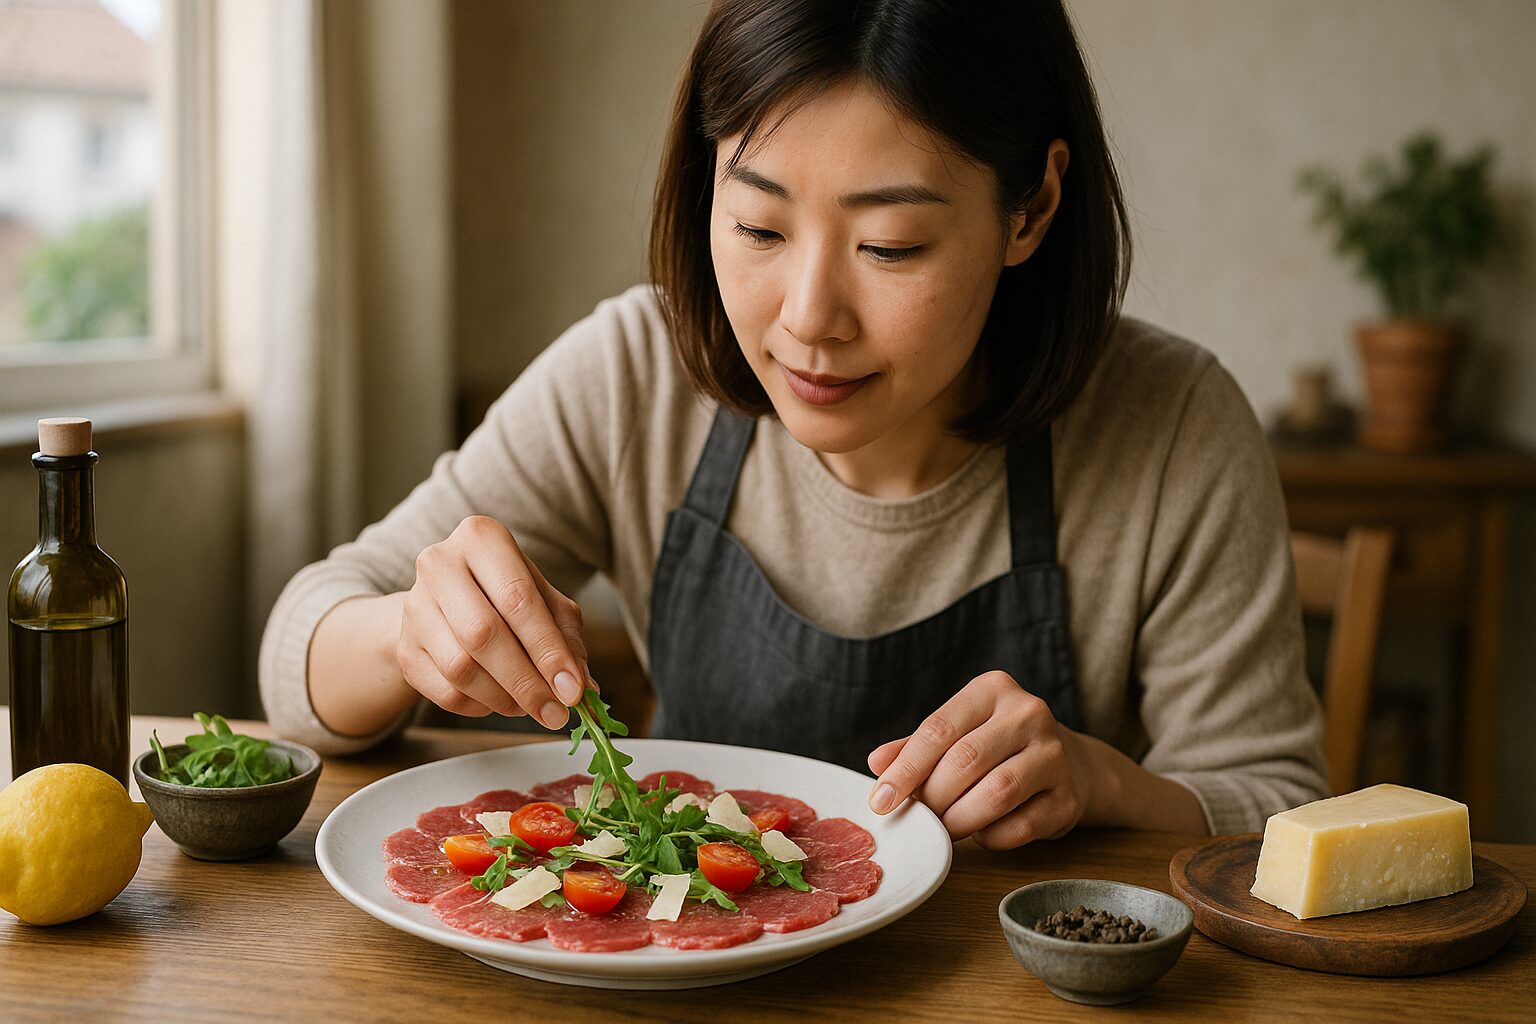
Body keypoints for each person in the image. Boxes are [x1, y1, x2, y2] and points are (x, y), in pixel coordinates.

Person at [261, 0, 1327, 848]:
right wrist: (407, 634)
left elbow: (1276, 805)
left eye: (891, 245)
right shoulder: (636, 374)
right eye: (760, 226)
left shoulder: (1172, 425)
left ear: (1032, 208)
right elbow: (298, 653)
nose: (809, 318)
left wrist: (1101, 781)